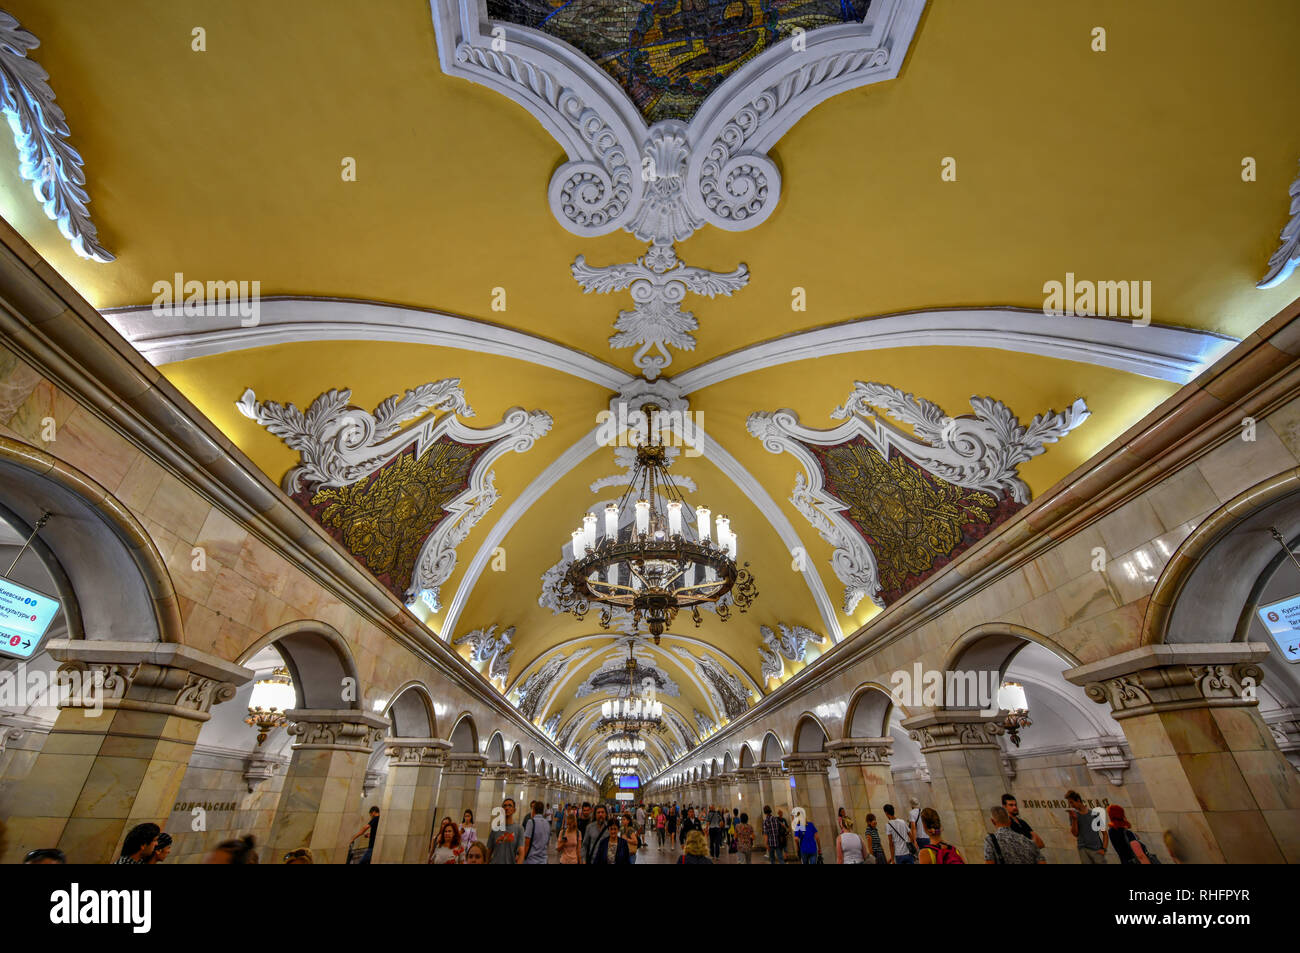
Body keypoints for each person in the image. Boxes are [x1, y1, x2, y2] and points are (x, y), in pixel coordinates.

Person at [1066, 790, 1108, 864]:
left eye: (1071, 802)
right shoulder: (1074, 815)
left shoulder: (1095, 814)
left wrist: (1103, 849)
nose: (1070, 805)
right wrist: (1074, 820)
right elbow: (1075, 834)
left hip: (1097, 849)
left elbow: (1105, 834)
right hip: (1083, 849)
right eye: (1069, 803)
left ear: (1078, 800)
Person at [487, 797, 524, 865]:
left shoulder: (519, 829)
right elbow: (488, 852)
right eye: (504, 806)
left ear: (514, 810)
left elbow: (521, 853)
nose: (507, 808)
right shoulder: (495, 829)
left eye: (510, 805)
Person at [520, 800, 550, 864]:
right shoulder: (547, 823)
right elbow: (547, 842)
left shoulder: (531, 822)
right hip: (543, 860)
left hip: (532, 860)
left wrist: (521, 858)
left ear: (533, 810)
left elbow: (527, 844)